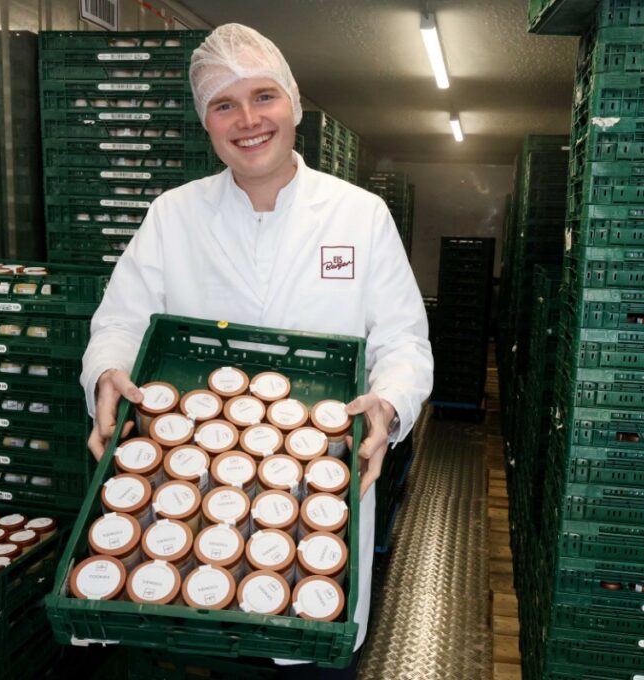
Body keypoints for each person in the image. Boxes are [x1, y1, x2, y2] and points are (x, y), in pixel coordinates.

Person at [80, 23, 433, 678]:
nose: (248, 120)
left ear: (292, 103)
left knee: (310, 652)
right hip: (190, 485)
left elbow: (402, 339)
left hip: (321, 486)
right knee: (193, 642)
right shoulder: (173, 216)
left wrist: (388, 404)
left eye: (263, 96)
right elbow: (121, 321)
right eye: (225, 104)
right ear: (206, 122)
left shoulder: (359, 217)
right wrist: (108, 373)